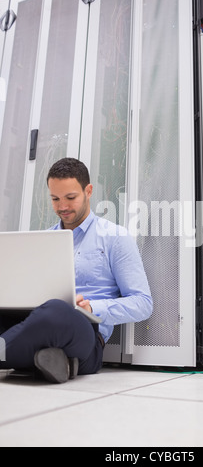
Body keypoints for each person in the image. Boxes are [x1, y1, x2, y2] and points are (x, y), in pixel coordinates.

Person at [0, 158, 153, 383]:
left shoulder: (115, 237)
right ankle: (44, 359)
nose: (62, 207)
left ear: (88, 191)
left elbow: (143, 303)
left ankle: (24, 356)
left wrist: (92, 307)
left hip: (85, 334)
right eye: (55, 199)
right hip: (36, 320)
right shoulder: (44, 240)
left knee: (56, 312)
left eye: (70, 198)